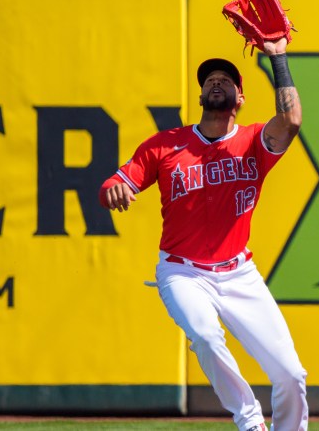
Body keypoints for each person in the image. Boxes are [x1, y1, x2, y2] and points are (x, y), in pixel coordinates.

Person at [99, 38, 308, 431]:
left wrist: (278, 57)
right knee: (207, 337)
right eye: (210, 78)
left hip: (238, 273)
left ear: (240, 97)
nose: (216, 82)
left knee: (291, 376)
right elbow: (117, 180)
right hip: (183, 273)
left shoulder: (254, 142)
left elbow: (292, 120)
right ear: (199, 96)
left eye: (226, 80)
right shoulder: (166, 145)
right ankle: (249, 421)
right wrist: (113, 189)